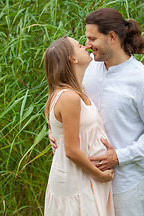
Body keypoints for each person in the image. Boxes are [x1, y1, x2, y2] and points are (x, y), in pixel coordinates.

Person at [49, 8, 144, 216]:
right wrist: (55, 131)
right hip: (87, 181)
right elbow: (62, 101)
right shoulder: (87, 69)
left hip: (125, 183)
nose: (87, 45)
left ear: (112, 37)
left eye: (92, 38)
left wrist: (120, 156)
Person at [43, 36, 115, 216]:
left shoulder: (77, 90)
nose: (86, 46)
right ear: (72, 59)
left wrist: (53, 132)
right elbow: (71, 150)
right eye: (79, 46)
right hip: (77, 180)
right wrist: (99, 175)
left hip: (84, 178)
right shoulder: (69, 96)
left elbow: (59, 126)